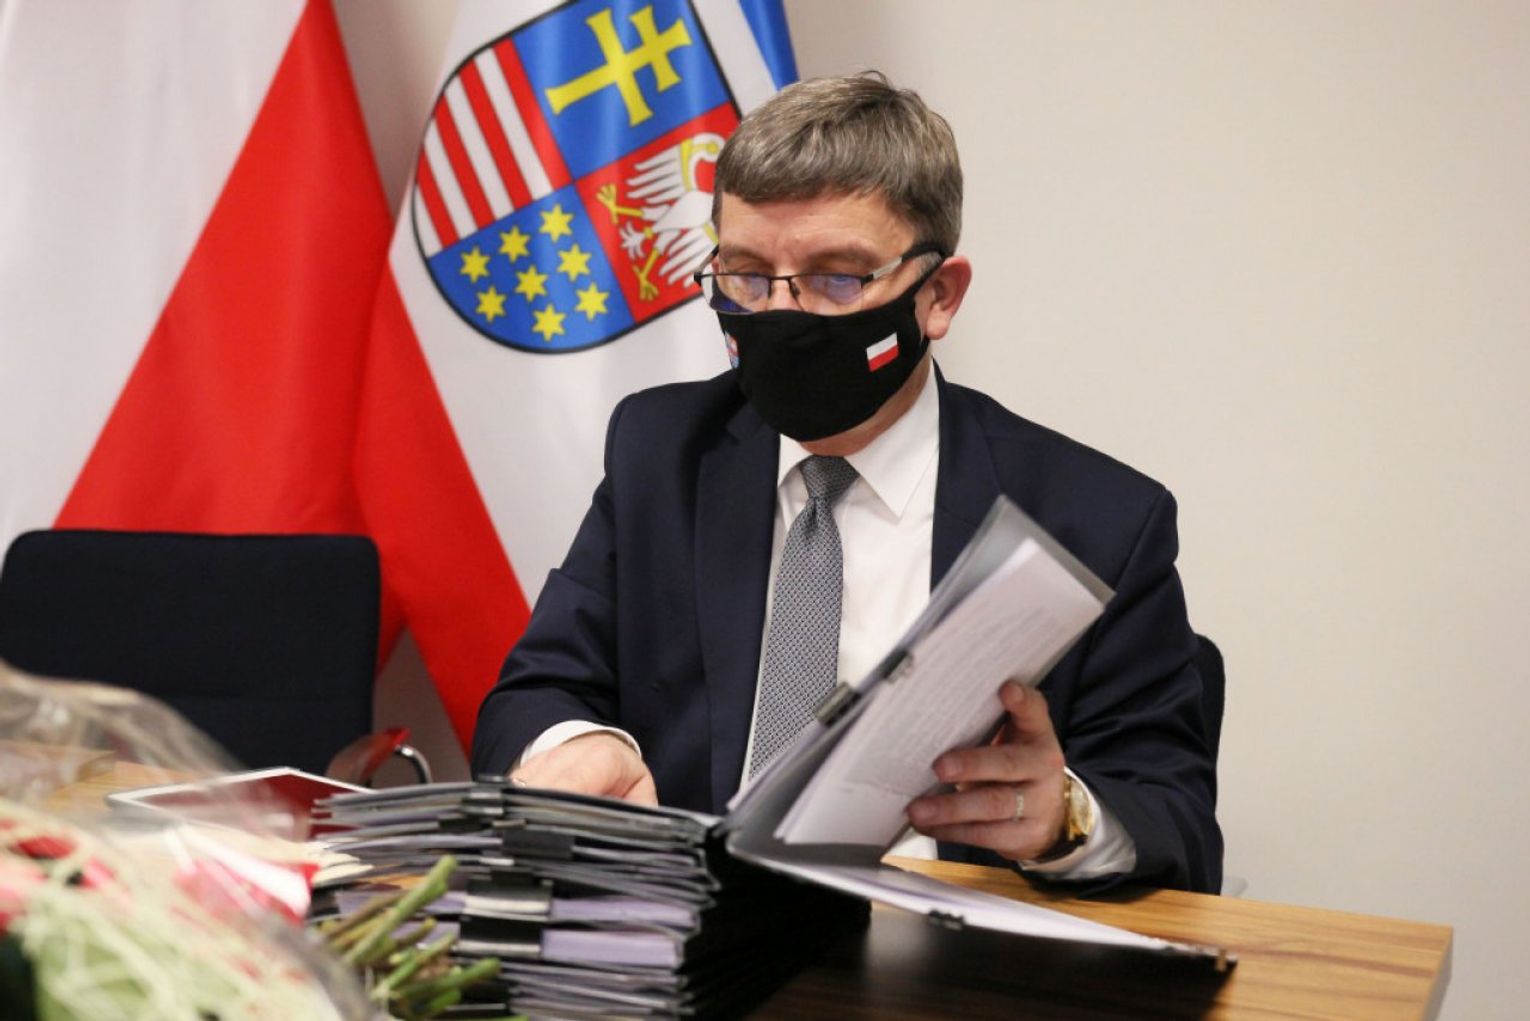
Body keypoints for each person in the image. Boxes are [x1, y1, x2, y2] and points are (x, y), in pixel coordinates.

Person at [472, 72, 1221, 894]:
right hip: (690, 940)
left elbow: (1176, 821)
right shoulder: (663, 450)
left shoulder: (1095, 520)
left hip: (944, 950)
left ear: (939, 295)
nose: (781, 314)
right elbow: (535, 691)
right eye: (747, 275)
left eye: (836, 278)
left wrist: (1060, 818)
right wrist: (580, 744)